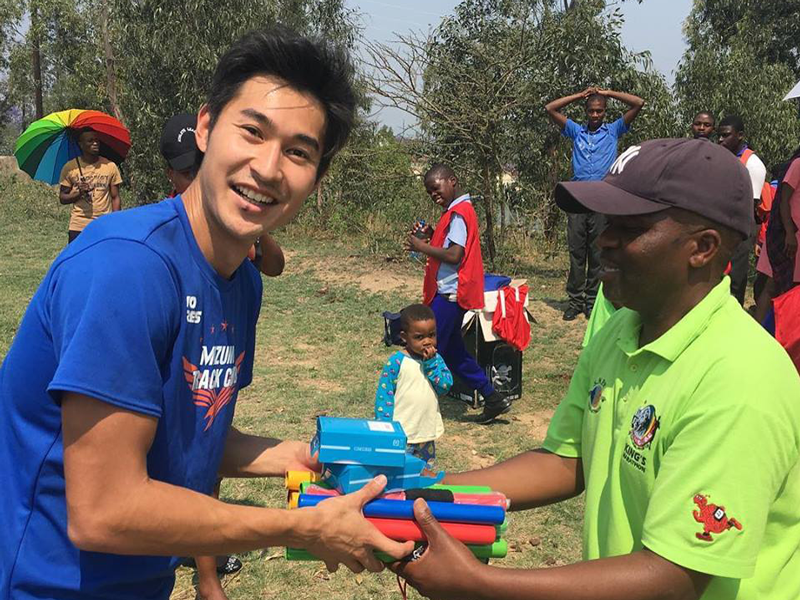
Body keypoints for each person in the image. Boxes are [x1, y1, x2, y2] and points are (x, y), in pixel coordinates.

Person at [0, 28, 415, 600]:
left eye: (298, 151)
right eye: (252, 131)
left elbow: (197, 438)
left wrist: (303, 457)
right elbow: (104, 510)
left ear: (315, 177)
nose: (269, 168)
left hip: (140, 581)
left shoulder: (241, 280)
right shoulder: (127, 268)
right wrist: (300, 527)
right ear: (205, 127)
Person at [391, 139, 800, 600]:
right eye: (608, 222)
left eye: (630, 228)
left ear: (702, 247)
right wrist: (426, 492)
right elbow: (568, 460)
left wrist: (480, 584)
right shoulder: (623, 329)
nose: (604, 239)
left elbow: (672, 577)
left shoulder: (739, 379)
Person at [406, 164, 512, 424]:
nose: (433, 194)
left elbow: (455, 255)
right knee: (454, 352)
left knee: (424, 345)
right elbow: (450, 245)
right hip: (450, 294)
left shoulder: (459, 214)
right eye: (429, 191)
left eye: (436, 187)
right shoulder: (454, 212)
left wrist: (421, 246)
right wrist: (432, 236)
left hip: (450, 296)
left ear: (452, 181)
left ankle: (413, 405)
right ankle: (493, 398)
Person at [545, 87, 645, 321]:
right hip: (577, 198)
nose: (595, 115)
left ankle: (592, 300)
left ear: (605, 112)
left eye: (599, 111)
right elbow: (550, 108)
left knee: (598, 251)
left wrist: (609, 92)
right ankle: (575, 301)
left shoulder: (613, 131)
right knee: (576, 252)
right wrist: (580, 95)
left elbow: (638, 103)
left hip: (602, 198)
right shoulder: (576, 131)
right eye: (591, 111)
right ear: (586, 111)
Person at [160, 112, 285, 279]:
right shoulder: (164, 227)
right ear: (170, 174)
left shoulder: (230, 209)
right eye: (188, 174)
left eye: (204, 167)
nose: (199, 180)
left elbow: (274, 266)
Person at [374, 303, 453, 466]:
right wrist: (384, 426)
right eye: (419, 337)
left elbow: (445, 386)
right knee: (397, 470)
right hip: (401, 433)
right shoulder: (397, 361)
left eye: (432, 335)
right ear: (404, 337)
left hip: (425, 432)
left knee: (423, 473)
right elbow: (385, 394)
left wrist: (431, 364)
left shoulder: (436, 360)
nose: (427, 341)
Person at [718, 115, 767, 305]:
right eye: (719, 135)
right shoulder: (724, 157)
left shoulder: (753, 164)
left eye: (726, 135)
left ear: (740, 136)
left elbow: (750, 205)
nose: (721, 140)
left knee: (736, 278)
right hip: (722, 222)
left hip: (740, 228)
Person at [58, 127, 123, 243]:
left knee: (103, 259)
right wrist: (78, 194)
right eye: (90, 141)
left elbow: (115, 197)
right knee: (78, 260)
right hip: (78, 226)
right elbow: (62, 197)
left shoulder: (110, 166)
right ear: (81, 144)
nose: (95, 143)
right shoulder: (70, 168)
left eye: (97, 140)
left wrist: (116, 221)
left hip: (103, 224)